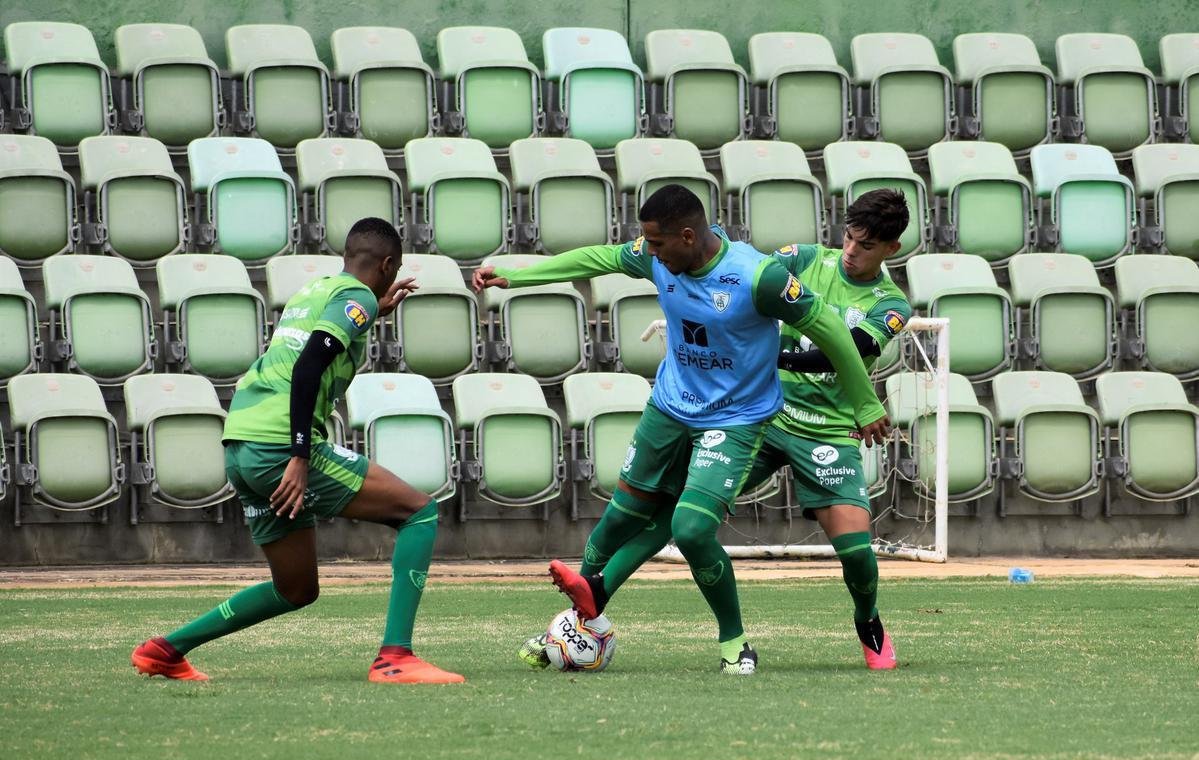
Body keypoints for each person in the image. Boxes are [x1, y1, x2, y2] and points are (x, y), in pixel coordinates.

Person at [473, 185, 890, 674]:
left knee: (691, 530)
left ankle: (735, 642)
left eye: (656, 244)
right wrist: (518, 275)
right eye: (646, 244)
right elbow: (597, 257)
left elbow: (830, 328)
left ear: (688, 236)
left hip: (737, 418)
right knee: (620, 517)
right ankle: (574, 622)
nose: (648, 253)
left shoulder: (759, 276)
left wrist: (864, 403)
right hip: (670, 408)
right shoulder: (658, 255)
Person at [131, 217, 464, 685]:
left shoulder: (317, 291)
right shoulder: (359, 298)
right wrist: (300, 456)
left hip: (241, 442)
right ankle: (395, 657)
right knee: (419, 513)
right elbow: (309, 367)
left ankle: (166, 650)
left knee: (296, 588)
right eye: (396, 267)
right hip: (279, 447)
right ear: (388, 265)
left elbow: (306, 347)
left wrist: (372, 311)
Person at [739, 188, 912, 670]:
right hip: (765, 413)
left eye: (867, 246)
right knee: (683, 506)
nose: (852, 252)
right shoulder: (803, 260)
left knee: (858, 555)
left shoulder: (891, 304)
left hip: (829, 433)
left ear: (891, 249)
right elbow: (744, 288)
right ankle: (595, 599)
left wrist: (772, 356)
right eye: (849, 239)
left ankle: (868, 623)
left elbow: (843, 350)